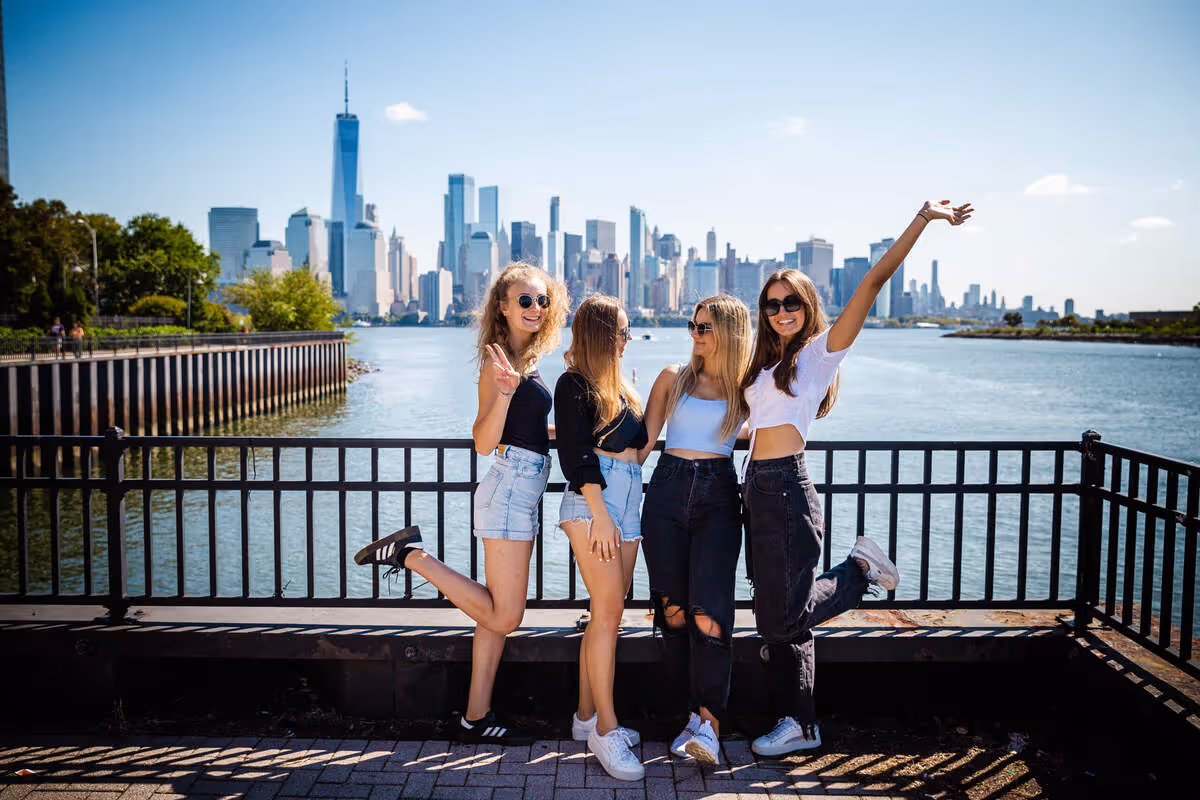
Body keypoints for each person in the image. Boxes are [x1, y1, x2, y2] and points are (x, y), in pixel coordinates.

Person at [742, 200, 973, 757]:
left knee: (782, 617)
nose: (781, 311)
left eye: (791, 301)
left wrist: (922, 217)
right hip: (756, 490)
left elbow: (872, 282)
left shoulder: (820, 354)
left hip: (787, 490)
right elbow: (749, 425)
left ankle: (860, 569)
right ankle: (800, 724)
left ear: (808, 305)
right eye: (772, 304)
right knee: (782, 620)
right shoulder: (767, 366)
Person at [352, 262, 569, 745]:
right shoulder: (499, 366)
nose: (536, 308)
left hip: (522, 488)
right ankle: (412, 556)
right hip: (509, 488)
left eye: (543, 301)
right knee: (507, 617)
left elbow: (529, 433)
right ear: (504, 307)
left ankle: (475, 718)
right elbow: (484, 441)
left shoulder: (527, 360)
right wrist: (507, 394)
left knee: (492, 614)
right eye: (526, 300)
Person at [639, 295, 752, 766]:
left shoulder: (748, 388)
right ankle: (689, 716)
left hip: (719, 499)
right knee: (674, 615)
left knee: (712, 614)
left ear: (728, 332)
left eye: (705, 328)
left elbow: (784, 427)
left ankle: (711, 723)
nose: (695, 335)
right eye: (693, 325)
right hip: (665, 493)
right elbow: (641, 445)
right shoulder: (672, 378)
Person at [554, 295, 646, 781]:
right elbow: (574, 454)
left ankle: (584, 717)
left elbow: (641, 446)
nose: (628, 341)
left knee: (608, 610)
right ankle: (606, 730)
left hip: (629, 501)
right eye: (624, 333)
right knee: (608, 610)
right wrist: (601, 516)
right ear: (604, 335)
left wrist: (667, 391)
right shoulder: (572, 384)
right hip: (595, 504)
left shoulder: (621, 387)